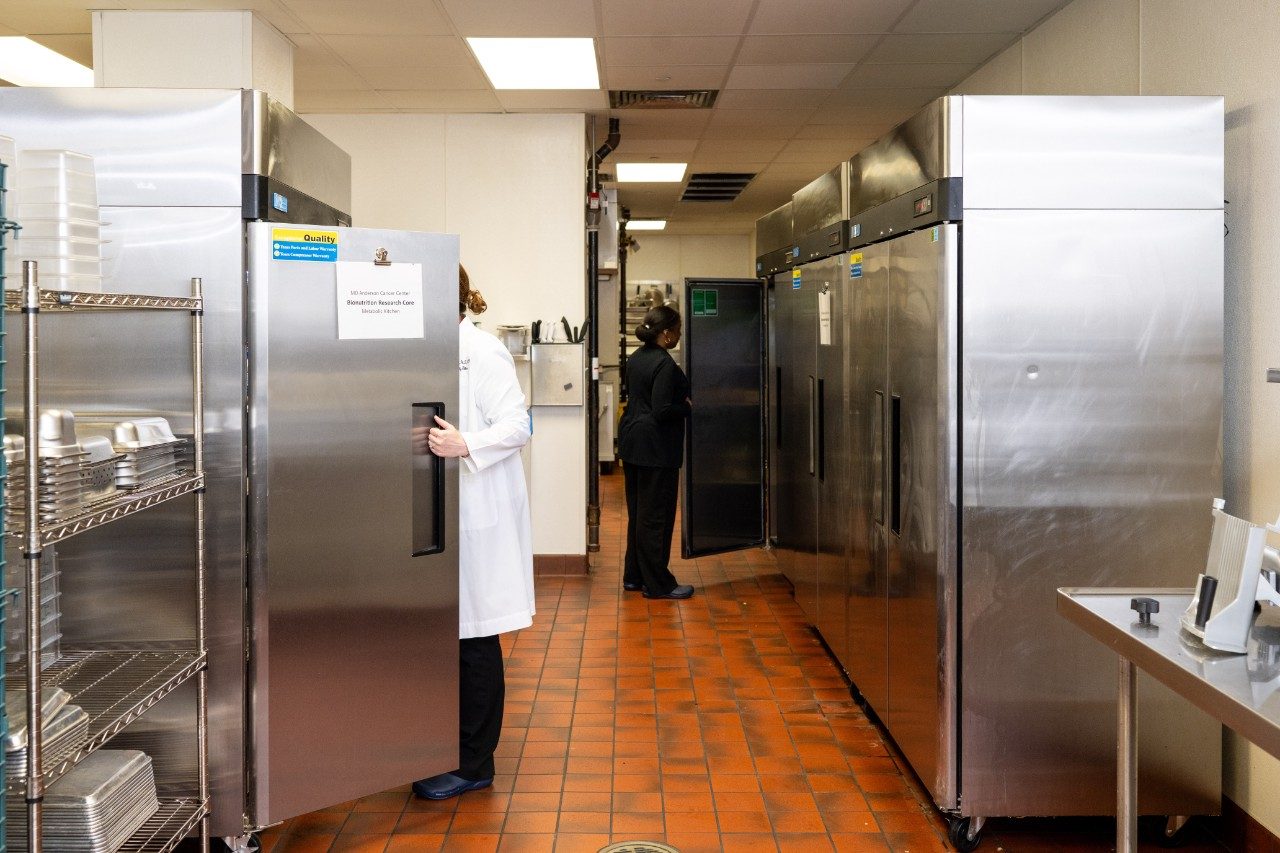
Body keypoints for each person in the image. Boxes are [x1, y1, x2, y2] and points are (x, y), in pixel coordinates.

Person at [413, 265, 534, 800]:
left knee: (474, 638)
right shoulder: (423, 349)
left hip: (476, 512)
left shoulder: (482, 351)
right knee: (446, 639)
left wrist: (468, 444)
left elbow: (518, 425)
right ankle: (444, 747)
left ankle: (474, 763)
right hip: (435, 517)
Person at [618, 304, 695, 600]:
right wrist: (686, 408)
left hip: (633, 442)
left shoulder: (636, 358)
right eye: (676, 330)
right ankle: (658, 583)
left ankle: (634, 576)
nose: (677, 335)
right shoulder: (663, 363)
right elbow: (663, 409)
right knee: (656, 518)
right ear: (666, 334)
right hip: (656, 447)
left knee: (639, 514)